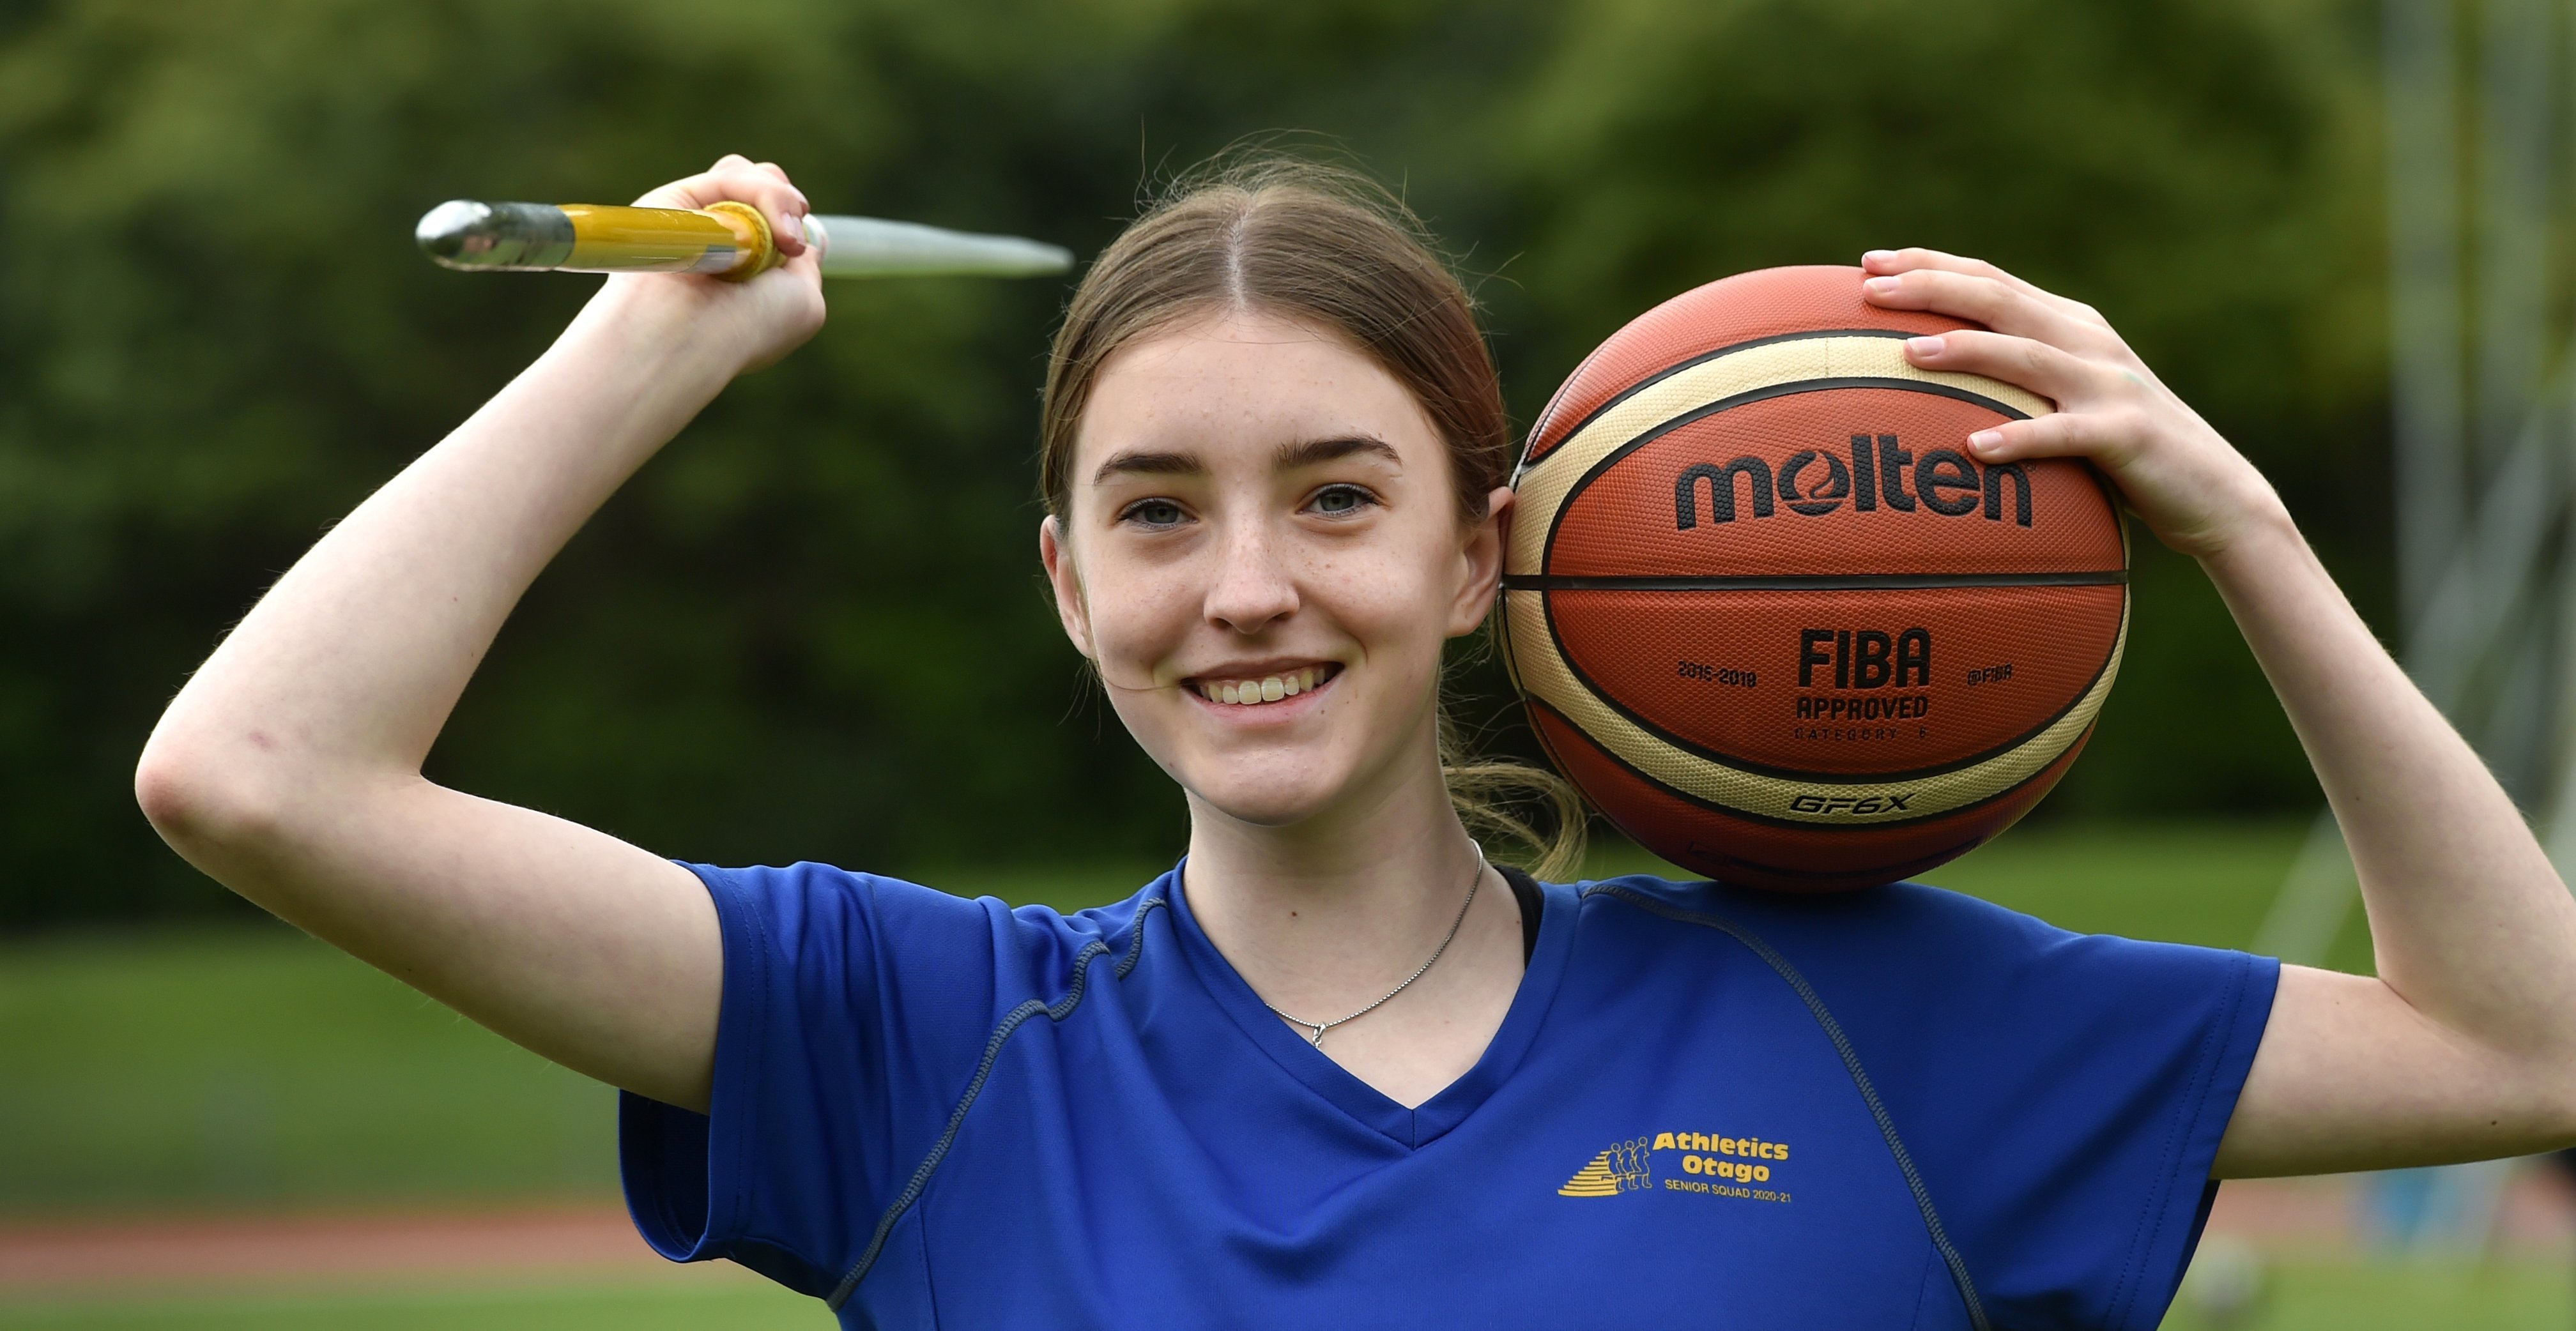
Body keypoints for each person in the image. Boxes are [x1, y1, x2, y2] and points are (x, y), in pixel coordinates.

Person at [134, 152, 2576, 1330]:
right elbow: (258, 772)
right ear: (1076, 588)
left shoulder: (1862, 1007)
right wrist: (630, 351)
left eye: (1336, 493)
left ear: (1478, 551)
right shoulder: (918, 1041)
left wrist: (2237, 523)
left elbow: (2521, 1034)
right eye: (1157, 512)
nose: (1252, 586)